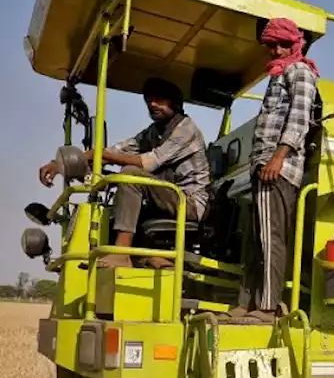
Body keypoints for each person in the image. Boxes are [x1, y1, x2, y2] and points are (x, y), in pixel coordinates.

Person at [38, 77, 211, 269]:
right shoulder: (154, 132)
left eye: (159, 100)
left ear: (176, 103)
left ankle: (121, 253)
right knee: (114, 206)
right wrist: (61, 162)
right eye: (148, 100)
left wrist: (100, 154)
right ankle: (139, 258)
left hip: (190, 203)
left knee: (130, 175)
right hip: (167, 198)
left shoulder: (186, 130)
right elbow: (117, 151)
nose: (152, 104)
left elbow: (148, 163)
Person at [224, 17, 320, 324]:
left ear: (294, 43)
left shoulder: (300, 71)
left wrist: (279, 157)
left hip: (278, 166)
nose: (276, 50)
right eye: (271, 45)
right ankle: (246, 301)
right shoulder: (278, 75)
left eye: (281, 44)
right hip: (262, 165)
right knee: (254, 239)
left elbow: (299, 118)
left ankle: (267, 306)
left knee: (270, 237)